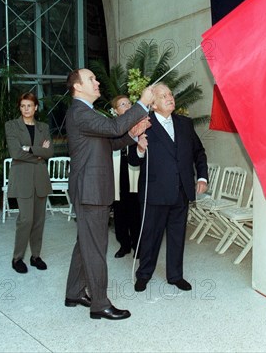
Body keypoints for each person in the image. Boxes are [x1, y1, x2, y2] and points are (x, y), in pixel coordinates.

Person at [64, 68, 154, 321]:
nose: (97, 81)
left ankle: (74, 292)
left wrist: (132, 134)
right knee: (95, 247)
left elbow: (110, 140)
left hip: (93, 189)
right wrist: (142, 103)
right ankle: (99, 304)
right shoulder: (80, 111)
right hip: (90, 190)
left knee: (86, 242)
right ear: (77, 87)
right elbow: (113, 127)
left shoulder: (86, 112)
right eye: (91, 79)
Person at [129, 83, 208, 292]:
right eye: (163, 96)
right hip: (154, 193)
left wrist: (202, 177)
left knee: (177, 236)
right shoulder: (144, 124)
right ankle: (144, 274)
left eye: (170, 94)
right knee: (150, 237)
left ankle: (175, 276)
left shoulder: (185, 124)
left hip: (181, 191)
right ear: (153, 104)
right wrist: (139, 148)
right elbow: (133, 161)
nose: (169, 97)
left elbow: (199, 153)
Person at [5, 92, 54, 274]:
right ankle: (17, 258)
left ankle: (35, 256)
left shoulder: (43, 127)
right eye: (23, 106)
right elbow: (16, 153)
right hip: (22, 178)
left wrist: (30, 149)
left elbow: (50, 153)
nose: (26, 109)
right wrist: (39, 154)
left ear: (36, 108)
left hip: (40, 178)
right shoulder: (12, 126)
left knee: (39, 221)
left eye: (29, 106)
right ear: (20, 107)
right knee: (25, 220)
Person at [110, 95, 142, 258]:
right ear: (116, 110)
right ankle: (124, 245)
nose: (128, 106)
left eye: (129, 103)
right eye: (123, 104)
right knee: (120, 211)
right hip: (117, 170)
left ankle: (138, 245)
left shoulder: (140, 124)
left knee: (135, 210)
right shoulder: (111, 127)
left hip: (134, 170)